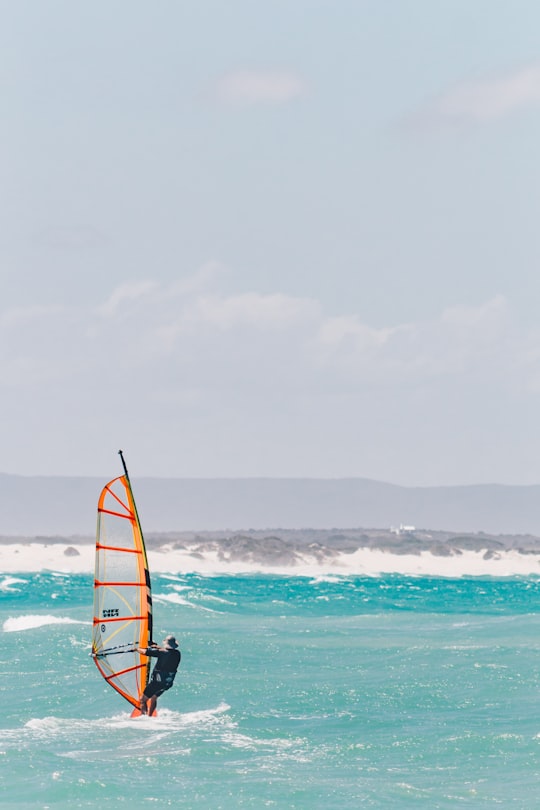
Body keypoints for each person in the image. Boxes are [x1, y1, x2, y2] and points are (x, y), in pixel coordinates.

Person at [138, 635, 181, 715]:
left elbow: (145, 652)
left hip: (157, 683)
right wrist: (155, 646)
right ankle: (150, 716)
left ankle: (144, 718)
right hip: (167, 683)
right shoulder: (177, 654)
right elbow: (165, 651)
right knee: (154, 697)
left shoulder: (162, 652)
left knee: (143, 700)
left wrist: (136, 649)